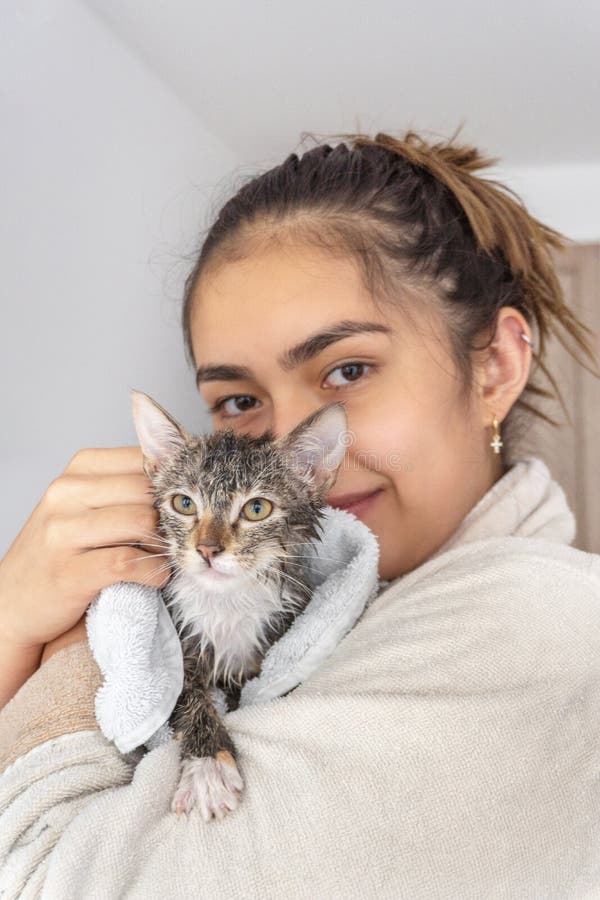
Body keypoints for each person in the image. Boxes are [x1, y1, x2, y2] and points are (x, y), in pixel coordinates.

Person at [1, 128, 599, 898]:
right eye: (240, 401)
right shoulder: (323, 615)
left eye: (348, 369)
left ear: (495, 368)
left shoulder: (541, 629)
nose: (295, 451)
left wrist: (55, 644)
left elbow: (48, 883)